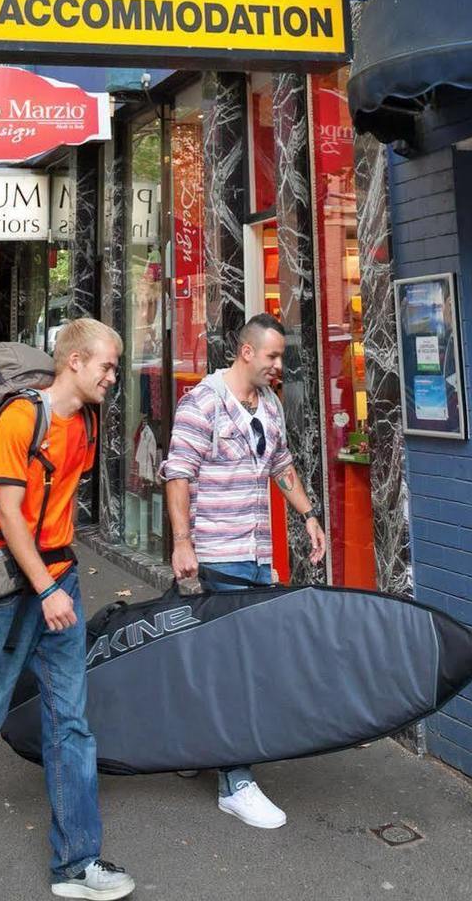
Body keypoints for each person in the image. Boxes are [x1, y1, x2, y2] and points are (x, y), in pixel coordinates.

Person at [0, 318, 135, 899]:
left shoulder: (84, 423)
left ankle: (76, 863)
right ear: (75, 362)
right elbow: (9, 517)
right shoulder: (20, 418)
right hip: (13, 587)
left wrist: (60, 581)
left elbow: (58, 509)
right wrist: (46, 588)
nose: (114, 376)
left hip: (58, 578)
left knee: (71, 722)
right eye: (107, 365)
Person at [162, 313, 326, 830]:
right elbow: (178, 475)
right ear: (246, 352)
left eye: (283, 357)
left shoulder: (270, 405)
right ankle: (235, 782)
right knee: (233, 664)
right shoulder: (204, 403)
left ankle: (191, 744)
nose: (280, 366)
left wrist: (309, 515)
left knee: (227, 657)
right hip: (215, 554)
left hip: (257, 554)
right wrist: (183, 542)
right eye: (273, 356)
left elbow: (282, 465)